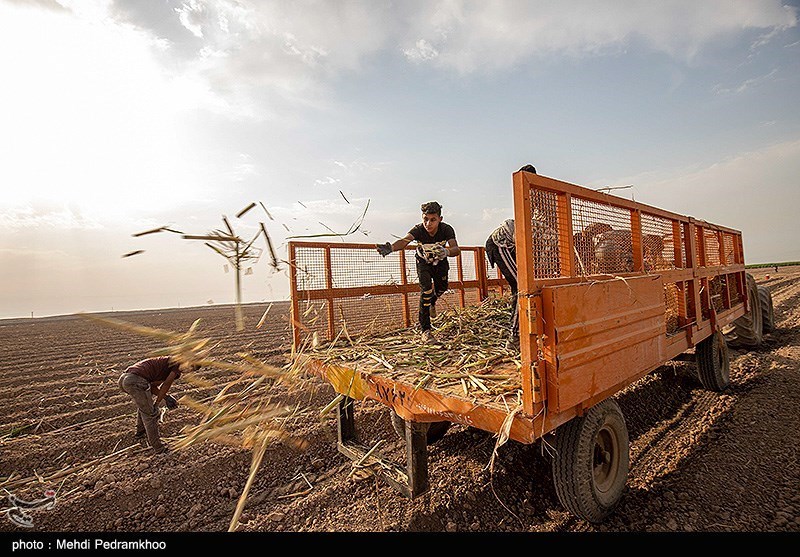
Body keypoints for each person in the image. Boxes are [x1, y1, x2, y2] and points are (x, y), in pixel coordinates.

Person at [376, 201, 460, 342]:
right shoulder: (418, 229)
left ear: (440, 219)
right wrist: (391, 248)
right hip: (423, 263)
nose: (428, 223)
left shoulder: (447, 229)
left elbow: (456, 249)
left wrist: (446, 251)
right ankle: (426, 330)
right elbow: (404, 241)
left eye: (433, 220)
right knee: (426, 291)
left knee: (442, 287)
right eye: (425, 219)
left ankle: (433, 301)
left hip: (440, 262)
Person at [118, 355, 190, 454]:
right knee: (151, 414)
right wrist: (157, 403)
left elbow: (152, 386)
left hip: (124, 379)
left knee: (145, 406)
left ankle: (140, 432)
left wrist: (165, 397)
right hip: (135, 380)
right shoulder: (177, 365)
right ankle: (159, 448)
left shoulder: (166, 363)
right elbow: (166, 384)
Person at [486, 218, 520, 345]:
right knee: (521, 286)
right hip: (500, 244)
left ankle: (516, 328)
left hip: (513, 244)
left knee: (519, 286)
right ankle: (514, 337)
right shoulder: (546, 233)